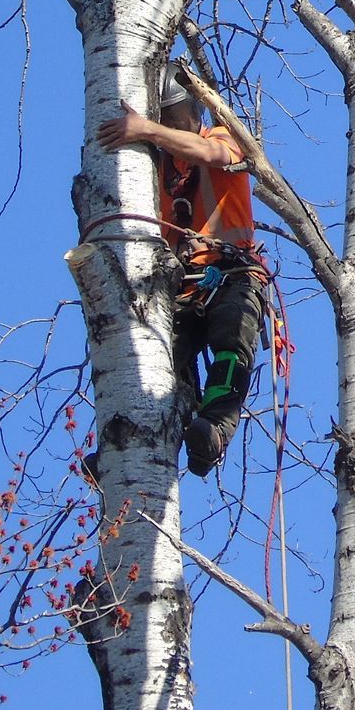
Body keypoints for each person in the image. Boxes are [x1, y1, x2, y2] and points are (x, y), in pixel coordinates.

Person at [93, 67, 267, 477]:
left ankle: (213, 430)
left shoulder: (222, 137)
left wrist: (146, 130)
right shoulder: (155, 176)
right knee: (155, 358)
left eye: (175, 118)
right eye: (164, 118)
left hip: (232, 274)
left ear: (194, 113)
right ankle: (128, 443)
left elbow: (211, 156)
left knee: (230, 339)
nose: (170, 126)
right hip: (181, 287)